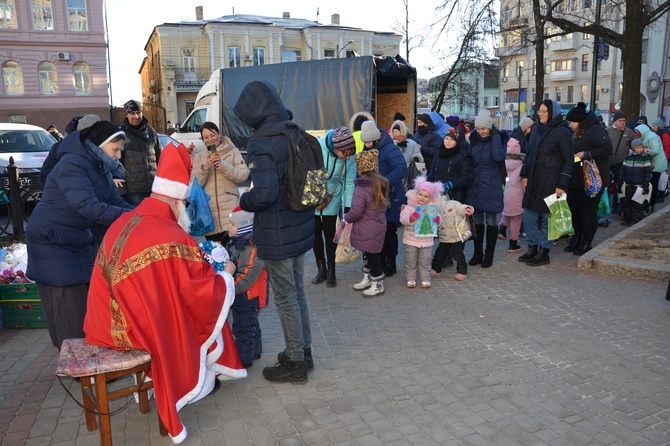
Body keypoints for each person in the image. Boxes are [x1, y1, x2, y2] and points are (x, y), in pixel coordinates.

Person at [84, 142, 246, 443]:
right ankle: (198, 379)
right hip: (133, 332)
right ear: (177, 202)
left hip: (101, 322)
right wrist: (226, 276)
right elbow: (201, 291)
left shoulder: (126, 219)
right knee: (207, 307)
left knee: (180, 306)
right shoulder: (172, 234)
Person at [25, 121, 134, 350]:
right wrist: (133, 218)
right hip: (52, 243)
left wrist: (142, 213)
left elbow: (112, 201)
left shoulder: (98, 165)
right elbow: (89, 207)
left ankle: (90, 362)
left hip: (74, 240)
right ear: (99, 145)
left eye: (120, 150)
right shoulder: (72, 164)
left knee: (84, 304)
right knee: (68, 308)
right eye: (115, 150)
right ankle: (78, 367)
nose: (118, 155)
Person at [233, 81, 314, 383]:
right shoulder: (293, 130)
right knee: (297, 291)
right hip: (300, 223)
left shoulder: (262, 141)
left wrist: (244, 199)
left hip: (278, 231)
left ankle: (295, 362)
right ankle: (303, 351)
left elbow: (264, 195)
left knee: (285, 298)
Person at [518, 99, 573, 266]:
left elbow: (568, 160)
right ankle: (533, 247)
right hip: (534, 180)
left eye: (544, 111)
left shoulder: (562, 132)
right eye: (539, 110)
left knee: (547, 218)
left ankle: (544, 251)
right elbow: (529, 153)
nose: (540, 113)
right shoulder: (535, 129)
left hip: (552, 181)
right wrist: (525, 175)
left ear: (553, 113)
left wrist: (562, 185)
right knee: (529, 217)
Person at [359, 120, 407, 277]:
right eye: (364, 142)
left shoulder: (390, 149)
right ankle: (379, 261)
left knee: (389, 232)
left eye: (368, 142)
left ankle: (391, 263)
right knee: (377, 232)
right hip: (375, 198)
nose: (366, 145)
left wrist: (382, 182)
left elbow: (401, 169)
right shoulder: (368, 149)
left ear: (375, 138)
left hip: (391, 197)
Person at [564, 102, 612, 256]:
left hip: (591, 181)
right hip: (575, 180)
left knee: (587, 213)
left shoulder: (596, 130)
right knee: (575, 211)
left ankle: (587, 242)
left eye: (571, 122)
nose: (569, 125)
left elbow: (606, 149)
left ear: (579, 121)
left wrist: (586, 154)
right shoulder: (578, 133)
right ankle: (577, 238)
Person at [312, 126, 356, 288]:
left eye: (350, 153)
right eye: (344, 153)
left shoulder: (349, 155)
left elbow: (350, 181)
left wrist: (348, 207)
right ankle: (321, 269)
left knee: (331, 234)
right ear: (336, 148)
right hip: (314, 196)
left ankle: (332, 271)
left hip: (332, 196)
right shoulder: (317, 147)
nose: (347, 157)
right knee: (315, 233)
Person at [191, 121, 249, 244]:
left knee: (233, 253)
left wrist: (223, 165)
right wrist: (205, 169)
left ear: (219, 134)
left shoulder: (233, 152)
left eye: (212, 135)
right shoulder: (199, 157)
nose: (210, 140)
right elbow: (193, 185)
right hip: (209, 215)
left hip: (230, 214)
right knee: (216, 257)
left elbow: (243, 175)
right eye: (206, 137)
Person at [226, 206, 268, 368]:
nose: (227, 227)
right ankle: (255, 351)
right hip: (242, 294)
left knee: (243, 328)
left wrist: (228, 287)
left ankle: (244, 360)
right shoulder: (237, 243)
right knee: (250, 323)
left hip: (249, 295)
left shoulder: (252, 250)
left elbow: (246, 276)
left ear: (243, 227)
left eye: (232, 224)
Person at [465, 109, 507, 268]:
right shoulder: (475, 140)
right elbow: (469, 158)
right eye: (479, 128)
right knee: (477, 220)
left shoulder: (498, 140)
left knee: (490, 220)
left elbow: (498, 156)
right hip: (476, 184)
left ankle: (489, 255)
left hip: (491, 183)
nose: (481, 131)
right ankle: (478, 253)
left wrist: (495, 136)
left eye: (484, 128)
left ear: (490, 127)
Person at [345, 149, 389, 297]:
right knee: (370, 255)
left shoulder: (361, 188)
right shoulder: (380, 184)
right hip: (377, 227)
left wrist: (347, 218)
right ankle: (368, 279)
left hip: (366, 228)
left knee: (371, 257)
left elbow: (356, 211)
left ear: (360, 167)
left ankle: (377, 284)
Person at [400, 177, 441, 288]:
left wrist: (437, 220)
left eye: (426, 196)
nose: (422, 198)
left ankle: (425, 279)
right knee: (411, 260)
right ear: (416, 193)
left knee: (425, 261)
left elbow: (438, 218)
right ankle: (411, 278)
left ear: (431, 198)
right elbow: (402, 219)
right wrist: (410, 218)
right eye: (420, 194)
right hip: (411, 239)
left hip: (426, 241)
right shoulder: (410, 207)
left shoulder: (432, 209)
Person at [500, 117, 533, 253]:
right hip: (518, 193)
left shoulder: (503, 161)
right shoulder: (521, 163)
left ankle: (501, 228)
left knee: (507, 211)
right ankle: (513, 243)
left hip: (506, 192)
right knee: (517, 219)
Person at [40, 114, 101, 186]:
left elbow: (113, 168)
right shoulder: (60, 148)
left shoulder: (103, 149)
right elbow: (45, 178)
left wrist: (115, 176)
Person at [120, 99, 161, 205]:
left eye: (138, 112)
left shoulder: (151, 131)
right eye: (132, 113)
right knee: (138, 219)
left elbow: (160, 156)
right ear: (126, 115)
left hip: (154, 186)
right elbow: (118, 164)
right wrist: (123, 191)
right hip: (134, 190)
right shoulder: (121, 135)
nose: (136, 116)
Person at [431, 195, 474, 281]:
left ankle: (462, 271)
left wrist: (467, 209)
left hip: (458, 234)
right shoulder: (432, 210)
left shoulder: (452, 204)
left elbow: (461, 207)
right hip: (445, 235)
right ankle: (436, 268)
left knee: (457, 253)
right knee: (440, 253)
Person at [427, 128, 472, 203]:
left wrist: (451, 185)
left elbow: (466, 177)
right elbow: (433, 170)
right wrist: (428, 183)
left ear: (456, 142)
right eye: (446, 138)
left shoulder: (462, 156)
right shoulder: (438, 152)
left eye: (452, 139)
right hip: (436, 193)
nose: (448, 141)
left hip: (453, 195)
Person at [606, 111, 636, 215]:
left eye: (624, 120)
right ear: (615, 121)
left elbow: (636, 143)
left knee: (620, 185)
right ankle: (606, 206)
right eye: (620, 120)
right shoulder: (607, 130)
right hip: (608, 163)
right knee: (607, 185)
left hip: (622, 163)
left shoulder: (629, 132)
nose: (623, 122)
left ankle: (616, 206)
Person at [618, 138, 653, 226]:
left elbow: (648, 173)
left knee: (637, 203)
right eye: (637, 147)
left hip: (640, 185)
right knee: (627, 202)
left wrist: (646, 184)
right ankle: (628, 218)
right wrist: (620, 181)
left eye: (641, 147)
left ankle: (636, 219)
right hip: (629, 184)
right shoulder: (627, 158)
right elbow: (623, 171)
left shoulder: (645, 159)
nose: (639, 149)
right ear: (633, 148)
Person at [634, 123, 667, 213]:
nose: (637, 134)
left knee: (653, 184)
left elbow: (655, 150)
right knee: (648, 183)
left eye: (638, 133)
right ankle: (646, 203)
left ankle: (651, 203)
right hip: (650, 163)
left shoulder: (652, 137)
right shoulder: (645, 137)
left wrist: (644, 150)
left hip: (657, 164)